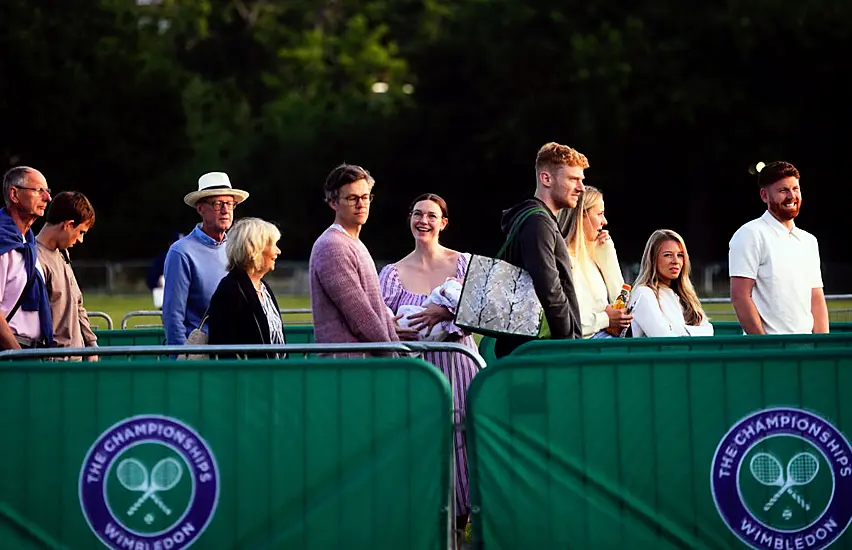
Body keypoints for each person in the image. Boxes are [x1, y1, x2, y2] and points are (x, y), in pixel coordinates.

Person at [378, 193, 480, 537]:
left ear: (443, 223)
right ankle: (434, 531)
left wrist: (444, 312)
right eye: (417, 214)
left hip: (459, 366)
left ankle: (462, 525)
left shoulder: (462, 263)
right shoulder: (392, 273)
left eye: (431, 216)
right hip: (418, 375)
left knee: (464, 446)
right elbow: (380, 322)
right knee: (427, 447)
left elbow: (481, 314)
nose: (423, 221)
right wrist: (394, 327)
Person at [309, 163, 415, 357]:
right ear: (333, 203)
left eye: (365, 197)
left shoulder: (353, 242)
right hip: (348, 367)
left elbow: (372, 307)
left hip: (361, 365)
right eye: (352, 198)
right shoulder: (332, 245)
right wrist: (393, 353)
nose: (361, 204)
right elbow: (360, 317)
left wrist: (390, 332)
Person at [494, 142, 585, 358]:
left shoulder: (536, 219)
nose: (581, 187)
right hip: (539, 350)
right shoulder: (538, 221)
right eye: (573, 179)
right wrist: (569, 343)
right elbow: (550, 288)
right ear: (546, 178)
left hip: (531, 347)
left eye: (581, 180)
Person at [729, 161, 828, 334]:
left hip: (807, 350)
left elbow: (816, 298)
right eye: (783, 191)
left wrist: (821, 346)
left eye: (795, 189)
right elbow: (740, 297)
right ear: (764, 196)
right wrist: (765, 347)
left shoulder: (808, 241)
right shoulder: (749, 234)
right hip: (769, 353)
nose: (791, 196)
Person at [163, 172, 249, 346]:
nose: (226, 210)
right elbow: (173, 316)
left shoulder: (236, 247)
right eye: (218, 204)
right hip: (200, 359)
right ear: (200, 208)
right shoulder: (181, 252)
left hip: (232, 355)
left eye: (230, 204)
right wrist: (183, 360)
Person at [558, 186, 632, 338]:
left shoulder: (592, 258)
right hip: (587, 346)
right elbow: (567, 323)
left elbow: (621, 301)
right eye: (600, 214)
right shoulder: (564, 262)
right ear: (581, 216)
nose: (604, 221)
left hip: (606, 339)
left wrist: (607, 254)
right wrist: (606, 319)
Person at [207, 217, 284, 358]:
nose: (278, 251)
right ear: (255, 248)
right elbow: (223, 348)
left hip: (273, 377)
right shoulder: (230, 290)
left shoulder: (263, 287)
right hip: (247, 378)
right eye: (273, 244)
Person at [36, 191, 99, 359]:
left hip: (74, 361)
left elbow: (77, 304)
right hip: (53, 366)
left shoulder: (63, 254)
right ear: (68, 225)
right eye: (81, 232)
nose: (80, 240)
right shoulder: (35, 259)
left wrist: (91, 344)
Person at [0, 166, 54, 350]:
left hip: (30, 351)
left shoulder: (28, 244)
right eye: (39, 191)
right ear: (14, 194)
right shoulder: (3, 243)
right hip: (10, 355)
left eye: (47, 191)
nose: (47, 198)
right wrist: (17, 353)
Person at [628, 229, 713, 337]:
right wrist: (690, 332)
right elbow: (663, 338)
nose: (676, 261)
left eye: (680, 255)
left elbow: (709, 331)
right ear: (653, 259)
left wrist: (676, 330)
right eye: (668, 255)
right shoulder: (643, 293)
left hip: (687, 353)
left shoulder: (685, 295)